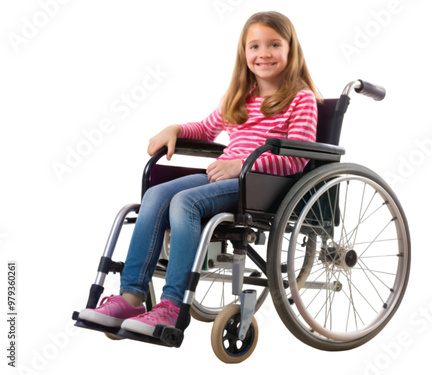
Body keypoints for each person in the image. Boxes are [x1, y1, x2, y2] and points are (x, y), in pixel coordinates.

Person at [79, 10, 321, 337]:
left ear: (291, 50)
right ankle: (131, 296)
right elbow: (206, 130)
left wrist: (241, 165)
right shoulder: (240, 97)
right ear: (244, 53)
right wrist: (176, 129)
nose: (263, 54)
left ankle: (171, 306)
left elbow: (297, 159)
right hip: (225, 178)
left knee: (185, 204)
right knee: (156, 195)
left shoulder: (301, 99)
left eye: (274, 44)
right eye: (254, 46)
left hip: (264, 186)